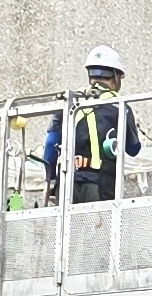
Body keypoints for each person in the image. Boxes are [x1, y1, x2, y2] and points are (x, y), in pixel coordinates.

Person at [46, 53, 144, 205]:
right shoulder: (120, 105)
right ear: (116, 76)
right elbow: (133, 149)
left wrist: (51, 180)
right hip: (100, 184)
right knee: (99, 221)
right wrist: (133, 127)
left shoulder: (68, 102)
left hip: (66, 184)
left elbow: (50, 143)